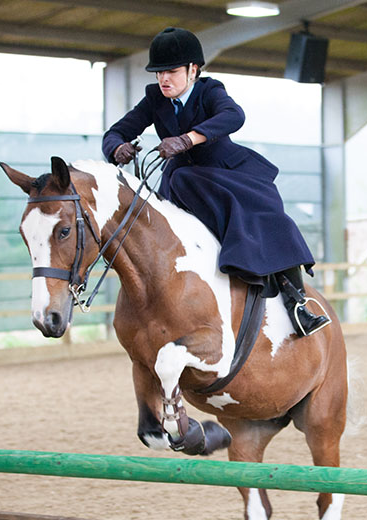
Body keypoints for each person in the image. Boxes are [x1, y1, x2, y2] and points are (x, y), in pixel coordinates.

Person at [102, 27, 330, 337]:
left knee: (271, 217)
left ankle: (296, 302)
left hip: (224, 173)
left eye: (171, 71)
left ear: (193, 70)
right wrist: (117, 147)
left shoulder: (210, 90)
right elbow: (115, 132)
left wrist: (187, 139)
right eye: (159, 73)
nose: (163, 79)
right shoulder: (154, 98)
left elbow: (234, 115)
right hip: (184, 182)